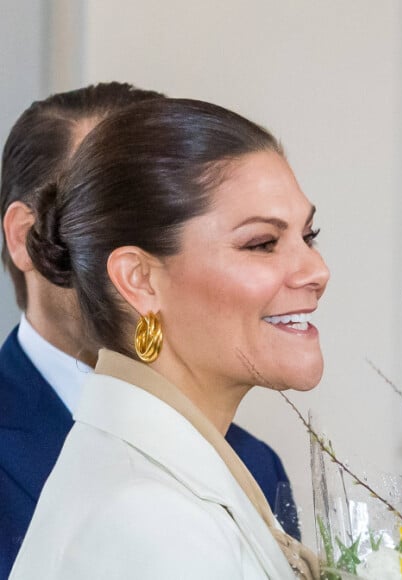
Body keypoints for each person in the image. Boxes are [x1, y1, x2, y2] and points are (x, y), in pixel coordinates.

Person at [9, 97, 329, 579]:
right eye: (262, 243)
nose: (316, 271)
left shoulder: (171, 477)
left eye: (309, 236)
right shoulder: (151, 519)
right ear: (139, 279)